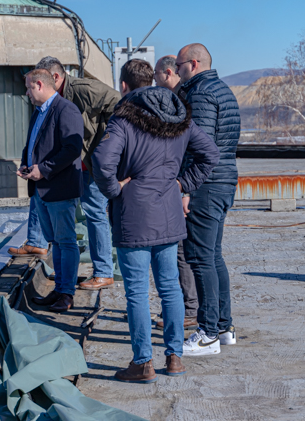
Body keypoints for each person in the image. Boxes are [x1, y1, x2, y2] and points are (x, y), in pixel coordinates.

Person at [92, 59, 219, 382]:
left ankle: (143, 363)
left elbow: (102, 160)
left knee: (137, 291)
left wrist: (114, 190)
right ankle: (174, 358)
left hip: (134, 214)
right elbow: (210, 154)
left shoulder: (124, 118)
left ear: (124, 85)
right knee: (170, 287)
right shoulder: (178, 114)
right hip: (169, 212)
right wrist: (181, 184)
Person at [10, 56, 120, 290]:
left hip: (89, 163)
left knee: (94, 213)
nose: (28, 93)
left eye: (32, 85)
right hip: (67, 168)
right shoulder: (43, 106)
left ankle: (103, 272)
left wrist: (105, 143)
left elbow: (119, 105)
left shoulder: (83, 90)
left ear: (54, 78)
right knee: (40, 199)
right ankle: (38, 244)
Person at [175, 43, 241, 356]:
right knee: (213, 256)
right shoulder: (223, 90)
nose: (177, 72)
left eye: (179, 66)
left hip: (205, 185)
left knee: (200, 258)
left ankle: (208, 334)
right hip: (223, 181)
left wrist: (186, 188)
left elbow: (198, 146)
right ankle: (224, 328)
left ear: (194, 63)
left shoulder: (200, 94)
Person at [18, 69, 84, 313]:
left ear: (39, 84)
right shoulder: (39, 112)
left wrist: (43, 170)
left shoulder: (66, 110)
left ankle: (67, 293)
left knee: (66, 241)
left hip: (59, 188)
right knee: (55, 241)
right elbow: (33, 145)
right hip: (41, 189)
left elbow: (72, 148)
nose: (26, 93)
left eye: (28, 87)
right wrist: (26, 165)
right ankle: (59, 289)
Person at [154, 55, 199, 331]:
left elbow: (189, 150)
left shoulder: (181, 101)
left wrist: (184, 189)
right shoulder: (179, 98)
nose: (154, 81)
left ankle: (189, 309)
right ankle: (183, 306)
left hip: (181, 187)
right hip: (179, 184)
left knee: (181, 252)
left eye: (156, 76)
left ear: (168, 73)